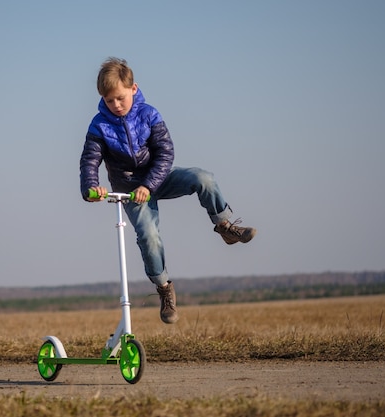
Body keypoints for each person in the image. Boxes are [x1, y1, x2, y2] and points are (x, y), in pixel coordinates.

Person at [80, 57, 256, 324]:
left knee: (203, 178)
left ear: (134, 89)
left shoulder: (149, 114)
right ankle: (164, 288)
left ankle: (224, 226)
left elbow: (166, 153)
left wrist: (148, 185)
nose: (115, 105)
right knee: (149, 237)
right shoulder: (99, 125)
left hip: (157, 179)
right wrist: (91, 186)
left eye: (120, 98)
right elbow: (90, 159)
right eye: (109, 100)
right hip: (129, 190)